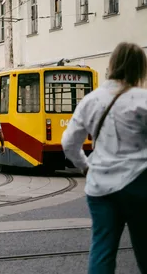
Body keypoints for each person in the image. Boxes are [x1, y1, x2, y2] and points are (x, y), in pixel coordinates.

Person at [62, 42, 147, 274]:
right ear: (140, 68)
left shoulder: (91, 100)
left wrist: (86, 166)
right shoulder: (143, 99)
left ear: (112, 64)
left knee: (102, 249)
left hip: (100, 186)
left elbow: (69, 143)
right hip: (140, 183)